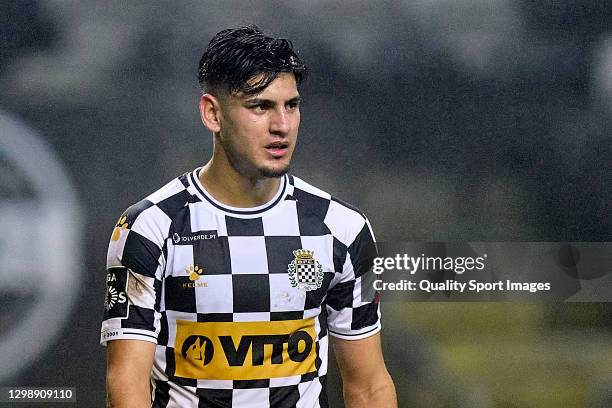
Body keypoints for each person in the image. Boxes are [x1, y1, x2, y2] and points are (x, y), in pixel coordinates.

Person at [101, 25, 396, 408]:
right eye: (261, 106)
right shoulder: (150, 228)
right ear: (212, 113)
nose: (282, 126)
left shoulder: (342, 229)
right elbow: (126, 384)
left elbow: (370, 386)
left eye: (291, 105)